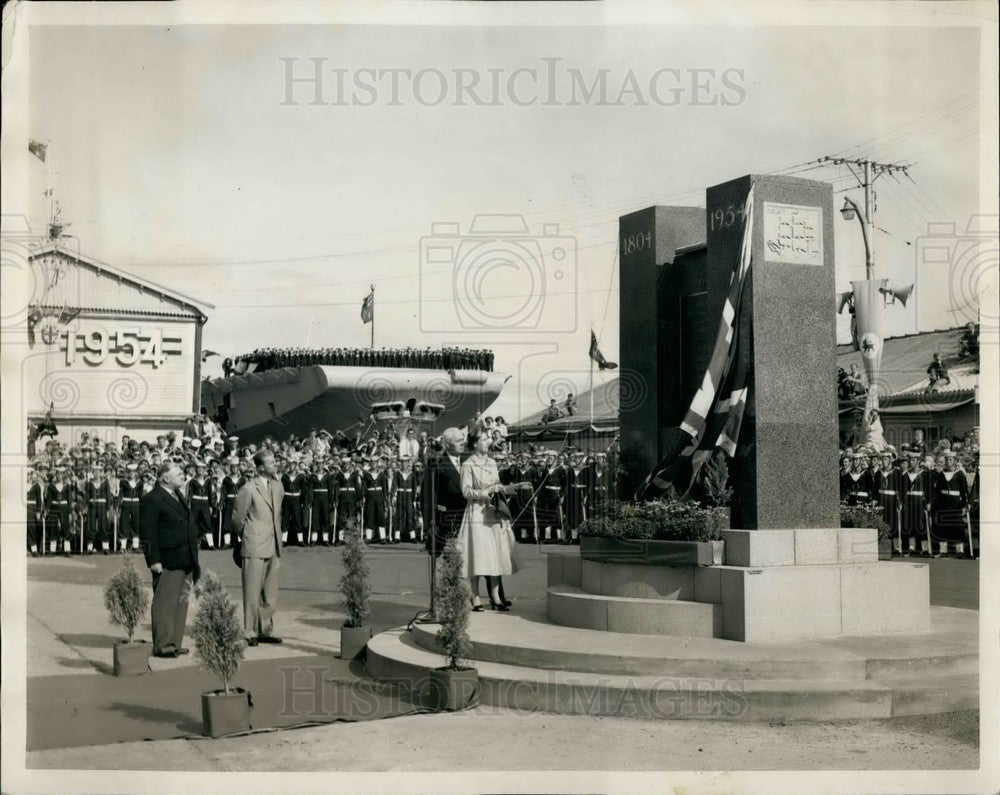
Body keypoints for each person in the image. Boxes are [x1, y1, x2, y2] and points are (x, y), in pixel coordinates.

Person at [455, 432, 529, 611]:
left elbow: (499, 487)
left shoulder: (492, 462)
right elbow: (465, 491)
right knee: (477, 555)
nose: (488, 443)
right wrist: (485, 492)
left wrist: (514, 487)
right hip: (477, 514)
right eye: (484, 440)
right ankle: (475, 597)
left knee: (494, 554)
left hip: (493, 513)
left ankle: (495, 597)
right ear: (474, 444)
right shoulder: (468, 464)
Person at [139, 462, 200, 659]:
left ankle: (174, 642)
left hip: (185, 558)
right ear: (165, 478)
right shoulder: (152, 499)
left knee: (180, 604)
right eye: (179, 473)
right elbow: (147, 533)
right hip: (167, 560)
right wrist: (153, 560)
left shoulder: (177, 495)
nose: (184, 476)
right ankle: (163, 645)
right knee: (165, 603)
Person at [232, 450, 285, 646]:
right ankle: (248, 631)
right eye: (271, 462)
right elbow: (237, 518)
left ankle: (265, 630)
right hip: (254, 543)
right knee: (252, 590)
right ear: (261, 467)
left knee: (270, 592)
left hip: (274, 545)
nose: (275, 464)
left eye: (275, 461)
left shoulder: (278, 486)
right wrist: (246, 535)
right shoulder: (248, 488)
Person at [421, 427, 469, 557]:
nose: (462, 443)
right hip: (450, 522)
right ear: (447, 445)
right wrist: (429, 526)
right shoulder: (437, 463)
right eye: (458, 440)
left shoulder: (469, 461)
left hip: (472, 520)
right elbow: (427, 496)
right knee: (454, 564)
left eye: (463, 439)